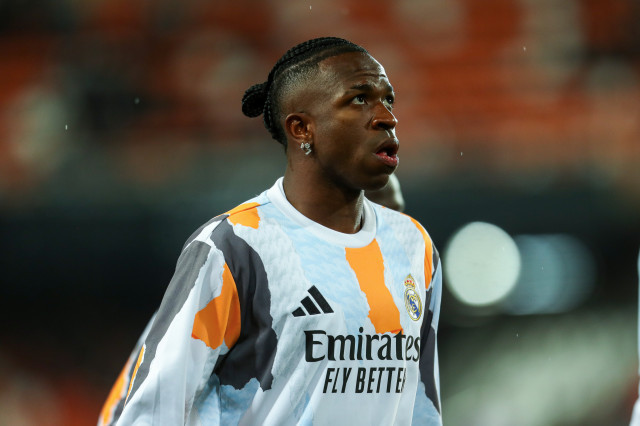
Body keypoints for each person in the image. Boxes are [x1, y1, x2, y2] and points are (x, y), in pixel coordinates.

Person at [98, 37, 442, 426]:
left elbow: (420, 407)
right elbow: (146, 411)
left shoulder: (416, 246)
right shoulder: (235, 247)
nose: (386, 116)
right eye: (360, 99)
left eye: (389, 100)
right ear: (301, 128)